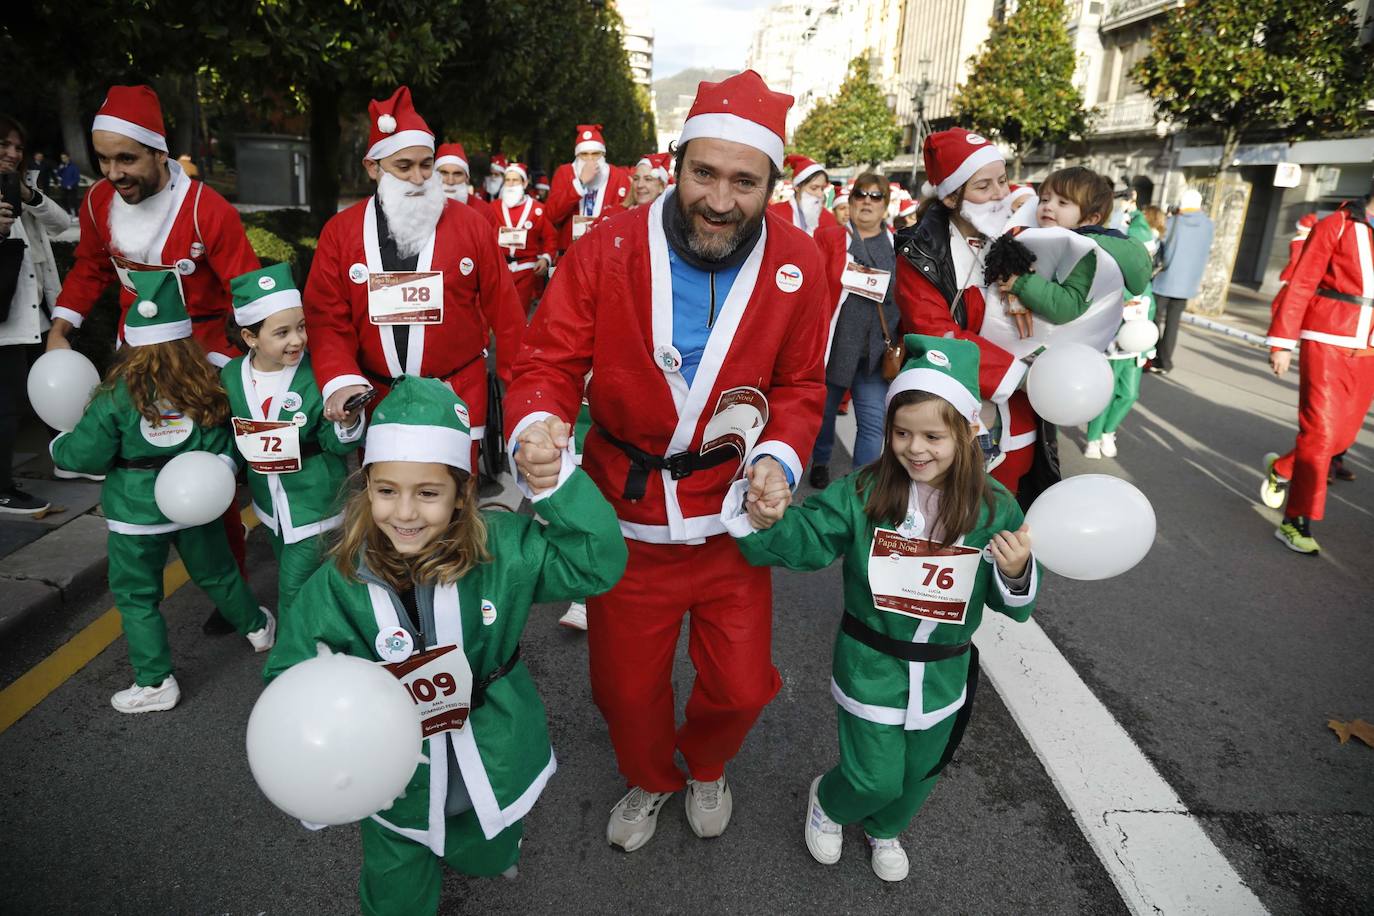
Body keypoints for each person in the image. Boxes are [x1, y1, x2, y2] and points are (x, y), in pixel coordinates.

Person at [505, 69, 828, 851]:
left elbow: (801, 384)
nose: (720, 200)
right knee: (623, 691)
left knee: (744, 688)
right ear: (676, 164)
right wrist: (537, 428)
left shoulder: (800, 260)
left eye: (744, 181)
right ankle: (650, 778)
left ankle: (707, 762)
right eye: (704, 173)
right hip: (628, 523)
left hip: (729, 520)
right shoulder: (607, 244)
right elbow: (547, 359)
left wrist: (779, 461)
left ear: (771, 185)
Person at [265, 375, 627, 916]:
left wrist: (559, 487)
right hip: (391, 775)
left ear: (461, 494)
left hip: (493, 744)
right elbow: (287, 682)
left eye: (428, 493)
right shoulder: (336, 584)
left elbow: (598, 563)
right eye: (387, 490)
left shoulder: (503, 553)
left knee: (487, 839)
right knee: (393, 890)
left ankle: (492, 847)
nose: (405, 513)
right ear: (368, 488)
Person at [723, 334, 1036, 883]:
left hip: (943, 672)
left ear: (967, 433)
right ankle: (833, 802)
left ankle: (886, 828)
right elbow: (811, 538)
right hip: (872, 664)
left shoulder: (995, 506)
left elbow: (1007, 602)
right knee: (874, 776)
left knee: (919, 774)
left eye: (934, 436)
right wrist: (770, 519)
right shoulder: (864, 493)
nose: (916, 449)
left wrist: (1014, 572)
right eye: (901, 433)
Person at [48, 84, 258, 615]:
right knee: (134, 460)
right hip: (135, 357)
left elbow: (247, 287)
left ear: (159, 153)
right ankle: (140, 571)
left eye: (127, 158)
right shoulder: (97, 203)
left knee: (210, 471)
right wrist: (61, 325)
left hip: (203, 361)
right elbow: (92, 268)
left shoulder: (206, 211)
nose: (114, 172)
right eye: (103, 159)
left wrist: (264, 355)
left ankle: (227, 584)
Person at [50, 270, 273, 713]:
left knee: (137, 597)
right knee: (218, 572)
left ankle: (155, 683)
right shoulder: (204, 385)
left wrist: (60, 446)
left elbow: (86, 455)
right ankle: (257, 629)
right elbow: (222, 442)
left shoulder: (115, 394)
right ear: (184, 338)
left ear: (131, 340)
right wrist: (221, 468)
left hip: (135, 514)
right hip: (195, 505)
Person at [303, 86, 524, 475]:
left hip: (457, 392)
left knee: (455, 507)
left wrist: (525, 398)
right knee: (390, 509)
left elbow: (506, 314)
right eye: (404, 166)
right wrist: (340, 378)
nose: (420, 177)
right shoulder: (341, 232)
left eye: (427, 164)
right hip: (379, 396)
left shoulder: (472, 225)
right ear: (373, 168)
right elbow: (326, 317)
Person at [894, 128, 1038, 495]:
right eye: (983, 186)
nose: (999, 195)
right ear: (951, 196)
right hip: (947, 416)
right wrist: (1017, 373)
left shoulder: (1023, 238)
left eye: (1002, 181)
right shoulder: (919, 255)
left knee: (1008, 513)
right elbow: (935, 333)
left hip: (1019, 413)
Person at [222, 263, 364, 617]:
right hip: (269, 507)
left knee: (293, 594)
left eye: (301, 327)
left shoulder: (317, 373)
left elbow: (336, 444)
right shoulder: (230, 375)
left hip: (316, 504)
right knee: (322, 587)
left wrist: (347, 422)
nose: (297, 339)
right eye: (282, 332)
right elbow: (228, 431)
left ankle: (288, 665)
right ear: (251, 338)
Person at [987, 168, 1151, 460]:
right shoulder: (1059, 240)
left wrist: (1021, 282)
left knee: (1023, 435)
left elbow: (1067, 306)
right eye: (1045, 199)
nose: (1048, 206)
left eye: (1063, 203)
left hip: (1048, 358)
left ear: (1091, 218)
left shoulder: (1085, 250)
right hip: (1037, 357)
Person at [1261, 181, 1374, 555]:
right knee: (1321, 434)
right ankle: (1296, 520)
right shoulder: (1336, 225)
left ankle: (1282, 469)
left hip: (1369, 350)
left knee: (1341, 440)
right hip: (1327, 339)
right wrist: (1282, 341)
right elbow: (1302, 281)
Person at [809, 172, 898, 488]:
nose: (867, 201)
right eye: (861, 194)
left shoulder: (898, 244)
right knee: (824, 415)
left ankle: (862, 485)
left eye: (876, 196)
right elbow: (814, 288)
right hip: (837, 349)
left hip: (876, 352)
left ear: (886, 206)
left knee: (873, 423)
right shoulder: (830, 238)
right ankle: (820, 460)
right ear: (851, 200)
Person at [0, 114, 70, 515]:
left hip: (34, 314)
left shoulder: (20, 190)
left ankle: (70, 456)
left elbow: (62, 224)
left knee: (44, 390)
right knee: (7, 407)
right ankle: (4, 488)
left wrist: (30, 197)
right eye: (3, 146)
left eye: (17, 147)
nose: (11, 154)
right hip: (7, 320)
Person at [1085, 192, 1162, 459]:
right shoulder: (1112, 277)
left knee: (1129, 394)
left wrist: (1147, 347)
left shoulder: (1148, 285)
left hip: (1134, 350)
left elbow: (1150, 314)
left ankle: (1108, 431)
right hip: (1111, 347)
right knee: (1104, 395)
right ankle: (1093, 438)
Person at [1148, 188, 1214, 375]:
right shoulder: (1209, 225)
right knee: (1173, 323)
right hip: (1188, 282)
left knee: (1153, 316)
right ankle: (1166, 362)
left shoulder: (1173, 221)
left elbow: (1161, 244)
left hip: (1165, 279)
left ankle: (1152, 356)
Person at [546, 125, 632, 254]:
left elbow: (625, 218)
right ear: (577, 156)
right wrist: (579, 184)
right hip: (570, 252)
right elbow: (551, 215)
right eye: (584, 155)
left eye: (595, 154)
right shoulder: (565, 172)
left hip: (606, 252)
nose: (590, 159)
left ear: (603, 154)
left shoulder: (618, 176)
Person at [494, 161, 556, 316]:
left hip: (526, 268)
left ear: (525, 182)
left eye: (515, 180)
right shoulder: (493, 207)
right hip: (499, 268)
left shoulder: (538, 209)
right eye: (508, 180)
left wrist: (546, 258)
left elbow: (550, 237)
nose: (511, 184)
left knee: (518, 315)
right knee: (498, 316)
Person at [769, 153, 837, 236]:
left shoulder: (829, 219)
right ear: (797, 187)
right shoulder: (774, 214)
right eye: (814, 188)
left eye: (822, 188)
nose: (820, 194)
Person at [434, 141, 492, 220]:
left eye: (457, 174)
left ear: (467, 178)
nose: (450, 181)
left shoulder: (484, 211)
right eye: (444, 173)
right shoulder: (421, 209)